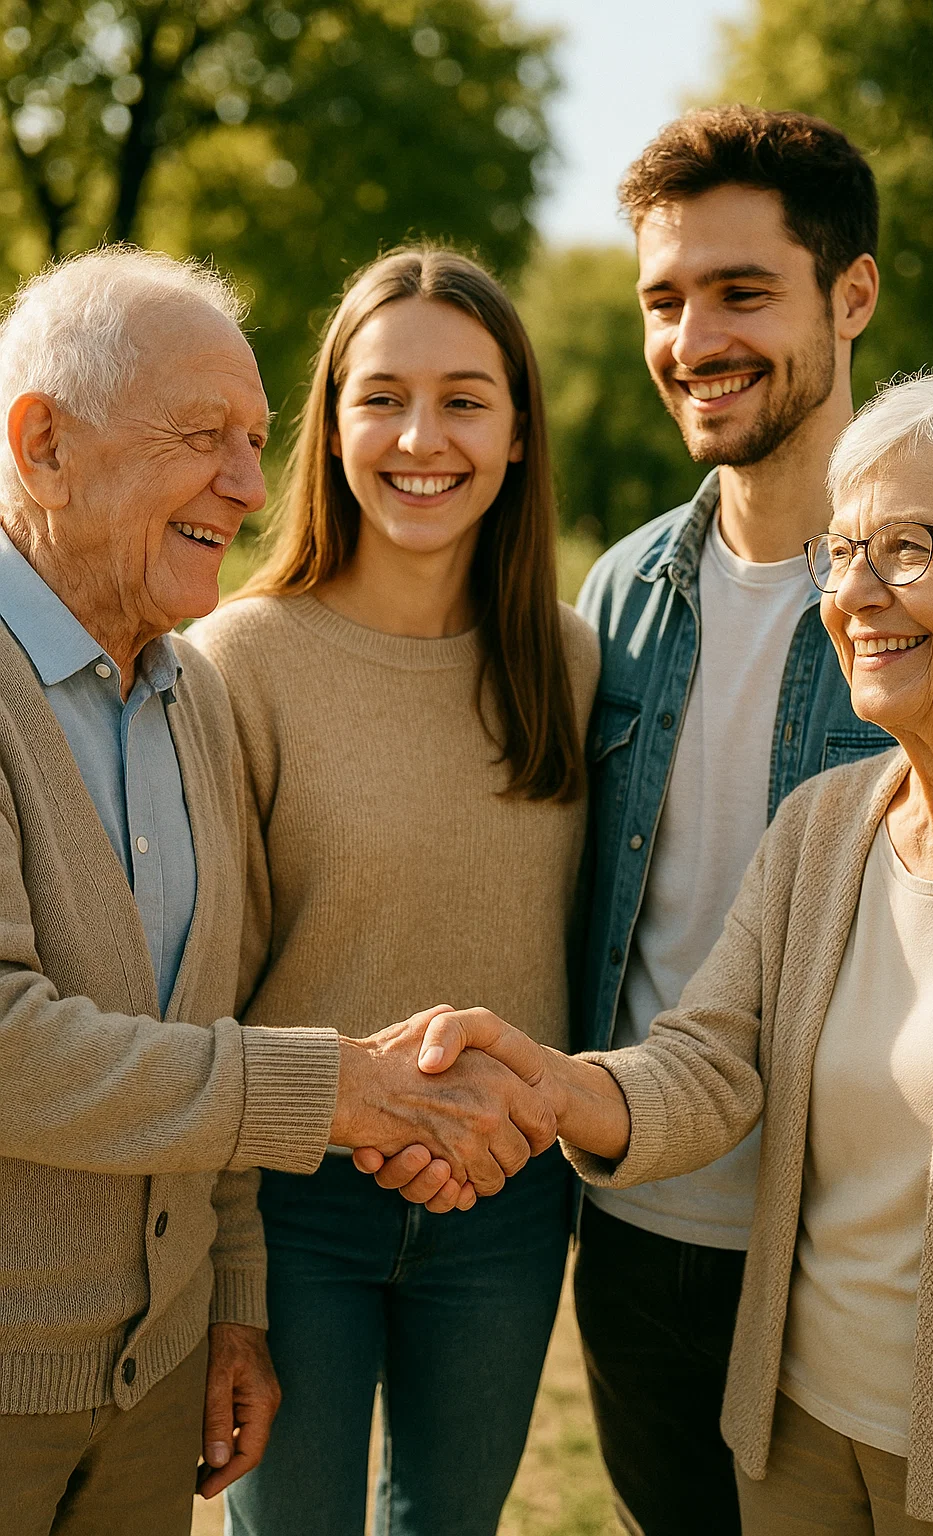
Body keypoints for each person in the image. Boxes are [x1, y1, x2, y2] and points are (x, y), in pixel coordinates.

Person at [406, 366, 933, 1534]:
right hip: (789, 1436)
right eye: (840, 551)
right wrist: (557, 1084)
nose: (856, 592)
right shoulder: (827, 827)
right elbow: (711, 1057)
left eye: (908, 544)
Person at [0, 247, 556, 1536]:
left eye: (255, 441)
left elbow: (209, 1026)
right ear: (43, 444)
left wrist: (226, 1307)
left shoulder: (183, 692)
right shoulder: (232, 665)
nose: (250, 487)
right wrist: (339, 1091)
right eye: (204, 437)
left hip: (148, 1382)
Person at [191, 246, 599, 1536]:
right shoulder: (238, 662)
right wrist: (233, 1274)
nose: (422, 437)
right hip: (293, 1207)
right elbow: (204, 985)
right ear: (331, 422)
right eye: (382, 397)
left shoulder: (572, 664)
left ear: (521, 431)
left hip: (507, 1209)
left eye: (466, 399)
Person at [571, 105, 890, 1535]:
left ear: (853, 294)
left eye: (743, 291)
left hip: (847, 1240)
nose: (693, 338)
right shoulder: (620, 592)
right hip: (634, 1226)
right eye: (665, 298)